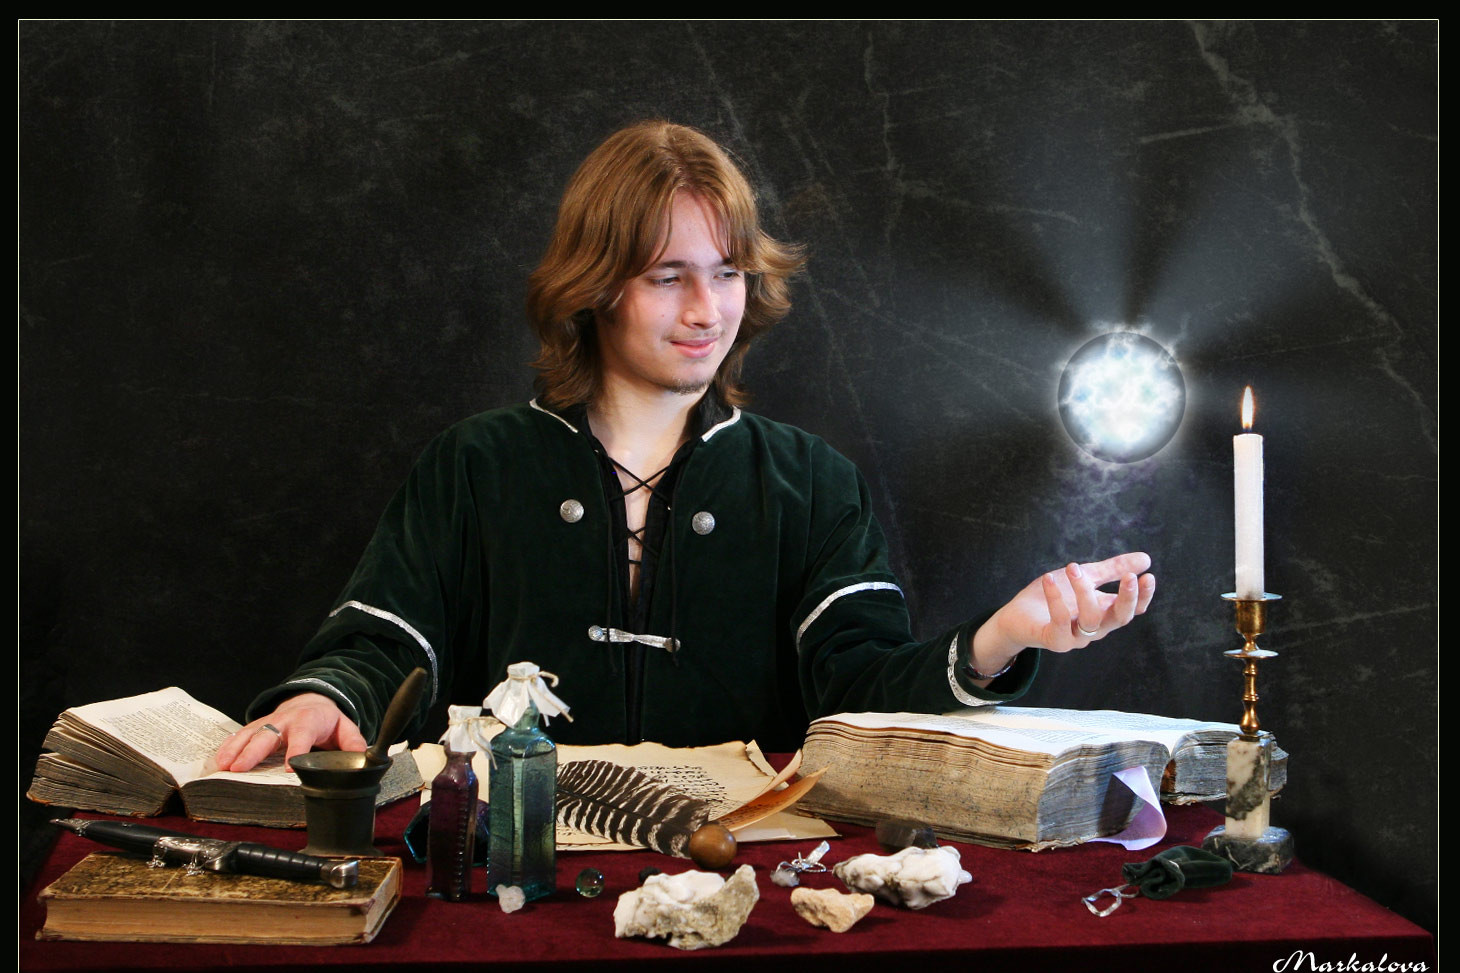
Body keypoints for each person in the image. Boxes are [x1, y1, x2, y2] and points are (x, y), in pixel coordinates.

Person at [216, 121, 1155, 773]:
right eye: (669, 277)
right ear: (597, 286)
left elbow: (859, 689)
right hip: (520, 864)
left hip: (738, 874)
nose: (708, 310)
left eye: (728, 273)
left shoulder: (812, 484)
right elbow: (386, 638)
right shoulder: (475, 465)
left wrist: (998, 641)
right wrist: (325, 697)